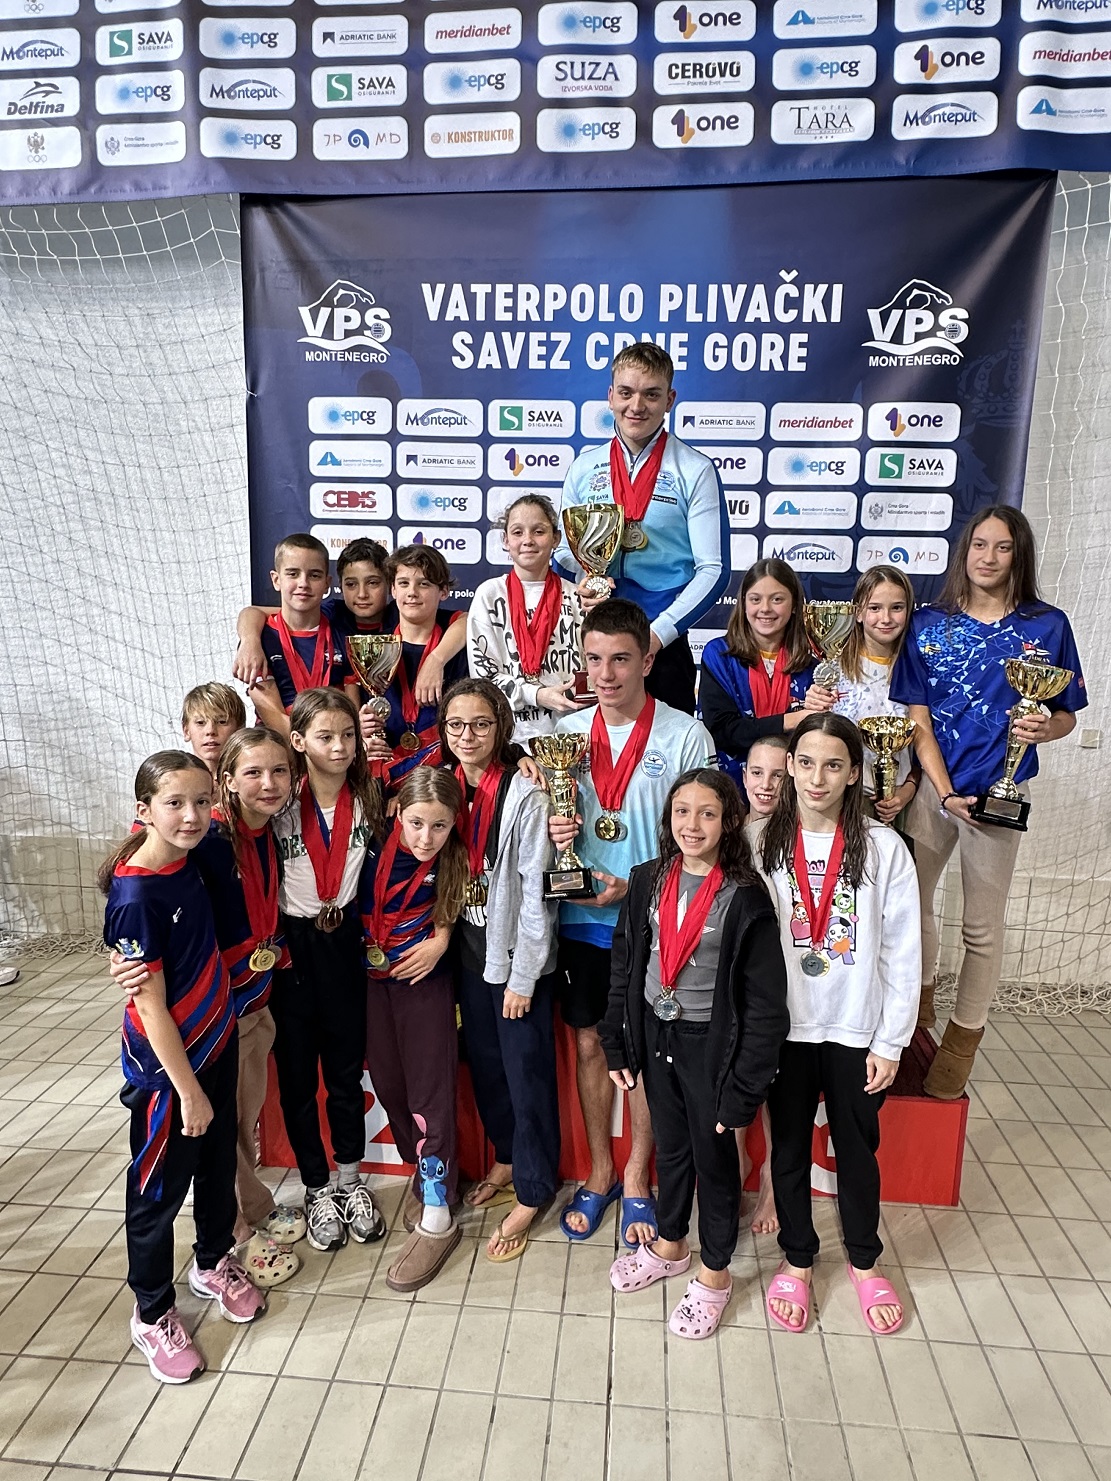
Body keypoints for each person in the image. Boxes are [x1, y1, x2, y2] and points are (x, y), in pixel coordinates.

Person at [889, 505, 1087, 1097]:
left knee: (980, 927)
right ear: (964, 551)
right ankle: (915, 1015)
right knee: (910, 908)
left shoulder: (1047, 625)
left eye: (1002, 547)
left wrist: (1046, 730)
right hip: (933, 789)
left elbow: (1066, 714)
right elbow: (917, 719)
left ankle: (961, 1046)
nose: (989, 557)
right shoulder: (928, 623)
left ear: (1018, 554)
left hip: (1001, 796)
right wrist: (944, 791)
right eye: (980, 545)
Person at [109, 727, 307, 1289]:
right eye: (253, 772)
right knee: (184, 1159)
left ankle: (231, 1228)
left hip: (237, 1007)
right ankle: (224, 1239)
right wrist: (125, 954)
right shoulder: (208, 840)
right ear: (229, 781)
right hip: (189, 1038)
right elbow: (136, 886)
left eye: (279, 771)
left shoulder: (252, 834)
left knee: (236, 1124)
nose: (268, 784)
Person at [548, 599, 716, 1246]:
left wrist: (636, 884)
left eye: (620, 659)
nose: (605, 674)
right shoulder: (564, 733)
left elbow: (698, 836)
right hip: (582, 915)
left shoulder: (684, 735)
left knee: (645, 1053)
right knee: (592, 1043)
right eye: (593, 659)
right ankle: (599, 1171)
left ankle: (638, 1174)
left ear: (647, 660)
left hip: (653, 919)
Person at [602, 770, 789, 1339]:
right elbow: (625, 966)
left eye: (708, 813)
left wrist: (743, 1089)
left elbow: (766, 1008)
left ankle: (714, 1273)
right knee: (672, 1146)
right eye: (682, 811)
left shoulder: (745, 898)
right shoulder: (648, 878)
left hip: (710, 1044)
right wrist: (617, 1039)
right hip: (656, 1033)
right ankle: (670, 1243)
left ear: (729, 822)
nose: (692, 825)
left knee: (715, 1159)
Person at [100, 751, 266, 1385]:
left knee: (217, 1168)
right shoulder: (137, 894)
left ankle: (212, 1261)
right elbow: (149, 1006)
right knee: (157, 1193)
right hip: (169, 1073)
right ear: (143, 811)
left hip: (216, 1043)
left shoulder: (194, 856)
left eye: (201, 802)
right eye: (174, 804)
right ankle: (151, 1312)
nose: (192, 816)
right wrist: (188, 1090)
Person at [753, 714, 920, 1337]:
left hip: (855, 1028)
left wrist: (891, 1040)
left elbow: (903, 950)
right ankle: (798, 1258)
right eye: (805, 763)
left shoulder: (884, 847)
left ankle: (865, 1260)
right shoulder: (759, 842)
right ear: (790, 767)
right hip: (784, 1029)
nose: (816, 778)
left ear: (854, 773)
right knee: (789, 1149)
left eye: (832, 765)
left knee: (856, 1150)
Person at [442, 678, 561, 1263]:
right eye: (456, 725)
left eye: (481, 724)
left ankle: (536, 1188)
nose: (468, 736)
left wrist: (524, 975)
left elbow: (538, 893)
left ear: (501, 728)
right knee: (487, 1066)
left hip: (513, 954)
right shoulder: (441, 786)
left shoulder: (526, 793)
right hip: (466, 949)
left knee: (524, 1072)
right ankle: (509, 1158)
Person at [269, 687, 385, 1253]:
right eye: (324, 737)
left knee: (343, 1072)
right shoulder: (278, 804)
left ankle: (350, 1179)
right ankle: (316, 1188)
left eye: (347, 735)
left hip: (345, 943)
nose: (339, 747)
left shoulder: (372, 797)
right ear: (298, 742)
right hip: (293, 949)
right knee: (297, 1079)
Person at [554, 343, 728, 714]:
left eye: (651, 394)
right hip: (597, 641)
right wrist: (587, 579)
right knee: (593, 744)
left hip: (662, 643)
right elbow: (564, 552)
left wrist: (658, 635)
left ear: (669, 400)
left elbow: (713, 570)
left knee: (670, 747)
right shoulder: (584, 468)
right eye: (626, 392)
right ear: (610, 396)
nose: (637, 406)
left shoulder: (695, 469)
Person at [359, 766, 468, 1292]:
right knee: (389, 1086)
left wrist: (441, 940)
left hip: (423, 985)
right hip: (372, 983)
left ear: (454, 824)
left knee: (430, 1096)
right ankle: (426, 1177)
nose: (426, 838)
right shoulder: (371, 846)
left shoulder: (452, 859)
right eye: (417, 823)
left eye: (439, 826)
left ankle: (439, 1214)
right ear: (396, 813)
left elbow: (449, 906)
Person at [235, 536, 467, 714]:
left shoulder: (402, 615)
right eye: (351, 584)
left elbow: (467, 621)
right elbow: (255, 612)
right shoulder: (334, 614)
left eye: (373, 583)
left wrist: (436, 660)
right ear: (338, 586)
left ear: (390, 586)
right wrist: (249, 640)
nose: (362, 594)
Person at [700, 558, 831, 789]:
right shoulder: (719, 655)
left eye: (777, 599)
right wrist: (793, 719)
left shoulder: (813, 667)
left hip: (791, 789)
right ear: (743, 603)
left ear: (794, 605)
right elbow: (721, 731)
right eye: (755, 599)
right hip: (730, 788)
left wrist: (820, 711)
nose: (765, 609)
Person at [467, 494, 586, 742]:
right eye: (518, 532)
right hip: (509, 739)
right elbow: (484, 677)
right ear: (506, 540)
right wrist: (538, 695)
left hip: (571, 733)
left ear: (556, 538)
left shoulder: (577, 597)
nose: (528, 540)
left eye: (538, 531)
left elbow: (591, 667)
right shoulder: (489, 595)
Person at [738, 732, 790, 1235]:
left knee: (775, 1085)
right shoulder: (731, 830)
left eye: (777, 774)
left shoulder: (799, 835)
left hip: (781, 979)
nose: (766, 784)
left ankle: (773, 1178)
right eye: (757, 772)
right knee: (729, 1077)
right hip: (735, 977)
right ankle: (735, 1166)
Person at [834, 565, 920, 823]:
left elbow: (927, 745)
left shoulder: (918, 671)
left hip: (901, 802)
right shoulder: (834, 668)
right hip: (841, 800)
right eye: (874, 608)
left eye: (897, 607)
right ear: (858, 612)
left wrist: (906, 792)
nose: (886, 618)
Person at [245, 534, 353, 736]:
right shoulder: (261, 638)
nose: (303, 583)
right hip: (280, 746)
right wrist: (315, 745)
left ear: (327, 583)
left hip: (334, 744)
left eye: (314, 575)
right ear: (276, 580)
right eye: (293, 574)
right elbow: (275, 718)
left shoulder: (341, 630)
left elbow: (351, 709)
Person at [380, 545, 469, 787]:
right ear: (393, 589)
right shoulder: (377, 647)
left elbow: (470, 619)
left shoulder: (458, 647)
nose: (412, 592)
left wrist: (436, 659)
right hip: (387, 773)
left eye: (424, 584)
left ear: (444, 591)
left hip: (445, 776)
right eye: (404, 583)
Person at [181, 683, 247, 779]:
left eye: (222, 722)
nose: (210, 731)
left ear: (239, 729)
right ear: (186, 730)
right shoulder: (177, 781)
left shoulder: (251, 779)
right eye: (200, 722)